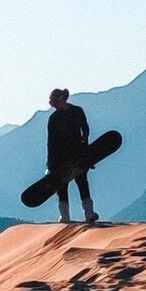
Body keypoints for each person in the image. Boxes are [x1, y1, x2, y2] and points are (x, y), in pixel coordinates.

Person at [46, 88, 99, 223]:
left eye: (53, 102)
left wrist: (85, 147)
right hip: (69, 155)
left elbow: (85, 130)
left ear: (60, 100)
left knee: (78, 182)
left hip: (71, 154)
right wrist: (50, 162)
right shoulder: (61, 116)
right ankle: (67, 217)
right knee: (67, 185)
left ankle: (87, 214)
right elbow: (51, 142)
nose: (53, 106)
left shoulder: (60, 116)